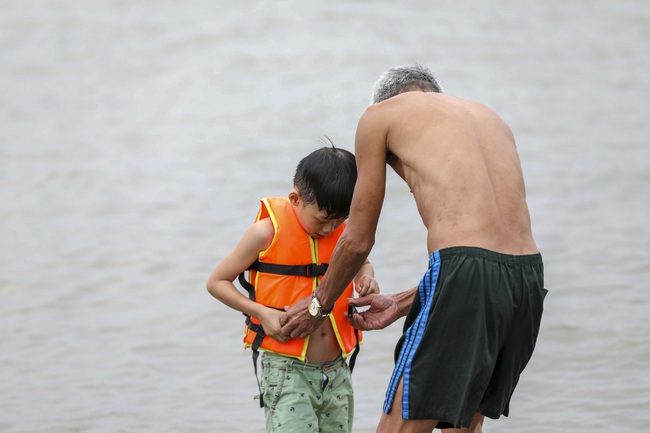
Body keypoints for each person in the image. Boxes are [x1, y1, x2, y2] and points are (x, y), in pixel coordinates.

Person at [279, 65, 547, 433]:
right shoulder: (491, 118)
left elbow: (357, 240)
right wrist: (403, 303)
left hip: (466, 270)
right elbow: (489, 253)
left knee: (400, 426)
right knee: (463, 422)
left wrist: (317, 306)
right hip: (528, 277)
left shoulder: (379, 115)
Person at [207, 143, 379, 433]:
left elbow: (362, 263)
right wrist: (261, 312)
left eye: (340, 220)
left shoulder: (343, 233)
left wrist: (368, 278)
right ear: (295, 199)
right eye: (324, 220)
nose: (330, 229)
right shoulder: (265, 232)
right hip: (287, 371)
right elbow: (216, 282)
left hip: (337, 370)